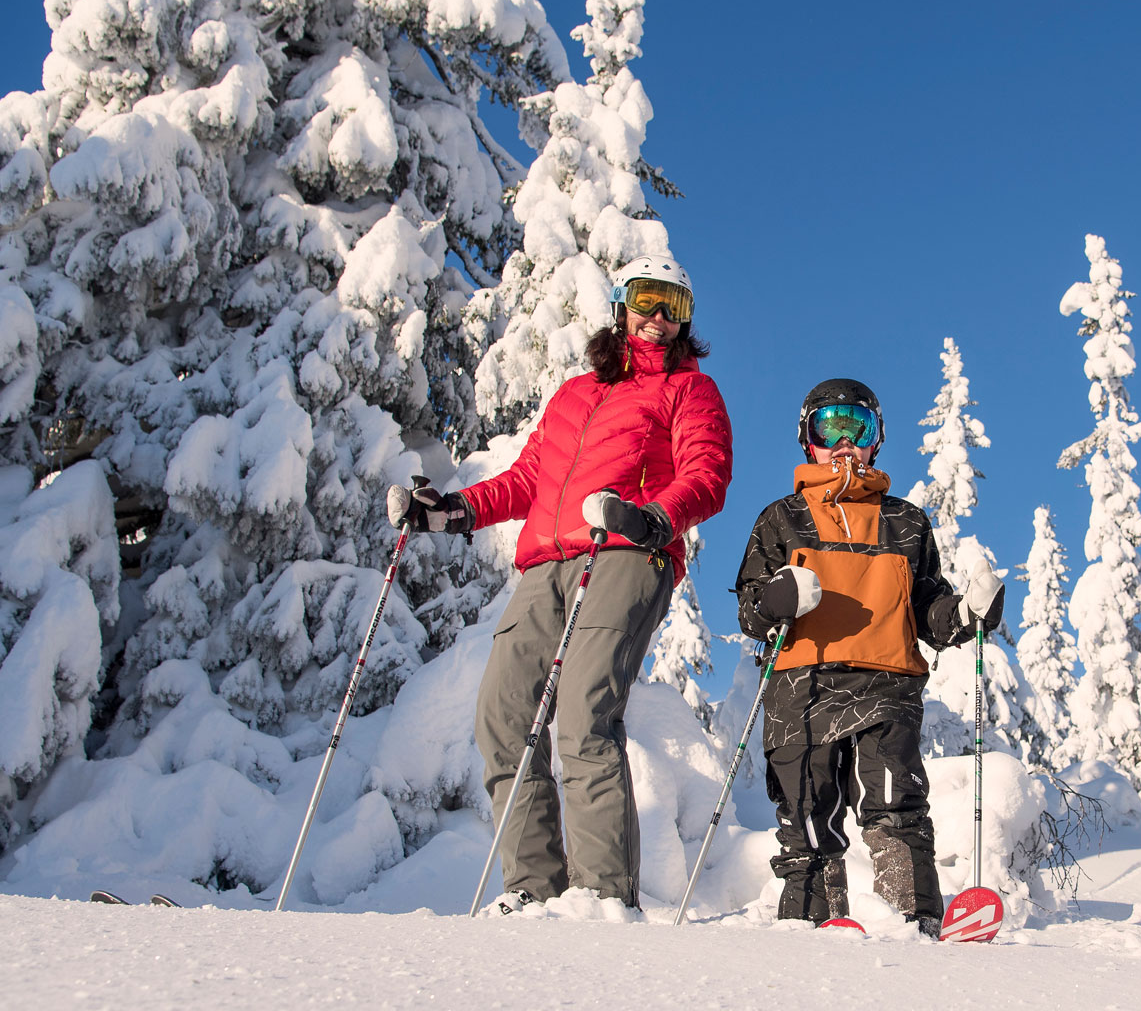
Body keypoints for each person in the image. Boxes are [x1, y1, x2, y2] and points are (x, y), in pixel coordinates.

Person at [389, 253, 732, 915]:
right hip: (545, 565)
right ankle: (533, 890)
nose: (659, 319)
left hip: (625, 552)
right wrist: (451, 511)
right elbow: (526, 481)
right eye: (647, 300)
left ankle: (603, 901)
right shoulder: (576, 395)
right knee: (502, 719)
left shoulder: (690, 391)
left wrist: (653, 517)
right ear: (620, 305)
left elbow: (706, 473)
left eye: (675, 307)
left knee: (582, 717)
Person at [732, 378, 1003, 936]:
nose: (844, 440)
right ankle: (809, 925)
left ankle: (912, 921)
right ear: (807, 439)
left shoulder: (905, 522)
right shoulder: (781, 518)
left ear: (877, 440)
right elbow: (752, 610)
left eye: (859, 426)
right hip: (800, 687)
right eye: (828, 426)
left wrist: (966, 612)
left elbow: (926, 607)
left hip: (886, 684)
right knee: (806, 815)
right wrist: (775, 598)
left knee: (895, 805)